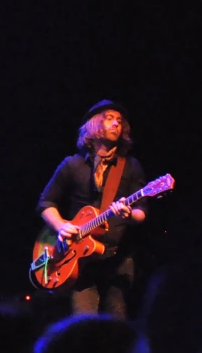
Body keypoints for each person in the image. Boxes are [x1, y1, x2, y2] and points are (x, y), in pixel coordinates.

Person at [37, 99, 148, 317]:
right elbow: (45, 203)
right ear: (94, 125)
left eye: (119, 121)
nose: (116, 124)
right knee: (83, 327)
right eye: (109, 119)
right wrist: (61, 226)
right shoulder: (72, 164)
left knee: (116, 329)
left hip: (117, 260)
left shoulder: (131, 166)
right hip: (79, 262)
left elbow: (141, 211)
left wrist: (130, 214)